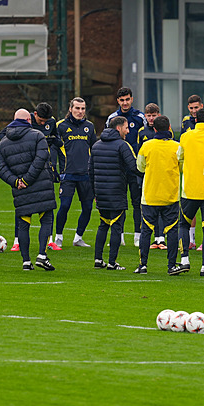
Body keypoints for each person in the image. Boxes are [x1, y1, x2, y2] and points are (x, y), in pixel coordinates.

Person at [0, 109, 57, 271]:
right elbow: (41, 158)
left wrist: (16, 182)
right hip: (41, 185)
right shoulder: (37, 135)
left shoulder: (3, 143)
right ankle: (42, 255)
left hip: (20, 189)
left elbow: (0, 168)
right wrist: (27, 179)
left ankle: (26, 261)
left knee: (23, 225)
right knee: (46, 220)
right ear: (29, 120)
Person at [135, 116, 189, 275]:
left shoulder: (146, 146)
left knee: (146, 230)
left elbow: (140, 167)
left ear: (155, 129)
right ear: (170, 128)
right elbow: (181, 168)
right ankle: (171, 265)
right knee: (172, 230)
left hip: (150, 195)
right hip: (170, 195)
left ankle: (143, 265)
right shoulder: (177, 146)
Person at [177, 107, 204, 275]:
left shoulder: (185, 136)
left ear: (195, 120)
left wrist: (188, 169)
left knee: (183, 224)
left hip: (189, 189)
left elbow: (179, 158)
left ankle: (184, 259)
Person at [90, 116, 138, 270]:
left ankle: (98, 259)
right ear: (118, 128)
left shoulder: (96, 146)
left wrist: (95, 193)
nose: (128, 130)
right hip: (116, 192)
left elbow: (90, 171)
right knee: (117, 227)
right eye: (126, 127)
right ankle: (112, 262)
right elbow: (134, 167)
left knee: (103, 226)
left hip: (101, 194)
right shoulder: (122, 145)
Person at [54, 97, 96, 249]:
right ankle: (58, 238)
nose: (80, 111)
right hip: (68, 174)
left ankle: (78, 237)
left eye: (83, 108)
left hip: (85, 175)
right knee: (64, 206)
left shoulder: (89, 127)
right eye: (77, 108)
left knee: (88, 208)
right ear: (70, 109)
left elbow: (94, 150)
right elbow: (54, 148)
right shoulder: (60, 126)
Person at [105, 87, 146, 246]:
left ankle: (137, 235)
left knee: (137, 202)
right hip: (117, 167)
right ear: (118, 101)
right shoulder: (112, 118)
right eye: (122, 100)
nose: (125, 103)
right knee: (118, 202)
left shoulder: (140, 117)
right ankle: (119, 235)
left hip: (135, 167)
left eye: (127, 99)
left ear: (132, 99)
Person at [23, 101, 62, 251]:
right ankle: (17, 241)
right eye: (41, 120)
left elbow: (56, 140)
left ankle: (50, 240)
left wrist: (56, 140)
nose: (44, 123)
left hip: (46, 169)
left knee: (48, 205)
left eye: (46, 121)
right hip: (28, 169)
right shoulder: (26, 122)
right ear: (35, 114)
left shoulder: (51, 123)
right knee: (23, 205)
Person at [138, 103, 171, 249]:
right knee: (150, 210)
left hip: (163, 177)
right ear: (145, 116)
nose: (151, 118)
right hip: (149, 176)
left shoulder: (166, 131)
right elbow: (139, 154)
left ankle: (161, 239)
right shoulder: (141, 132)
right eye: (149, 116)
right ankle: (154, 238)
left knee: (161, 209)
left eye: (154, 115)